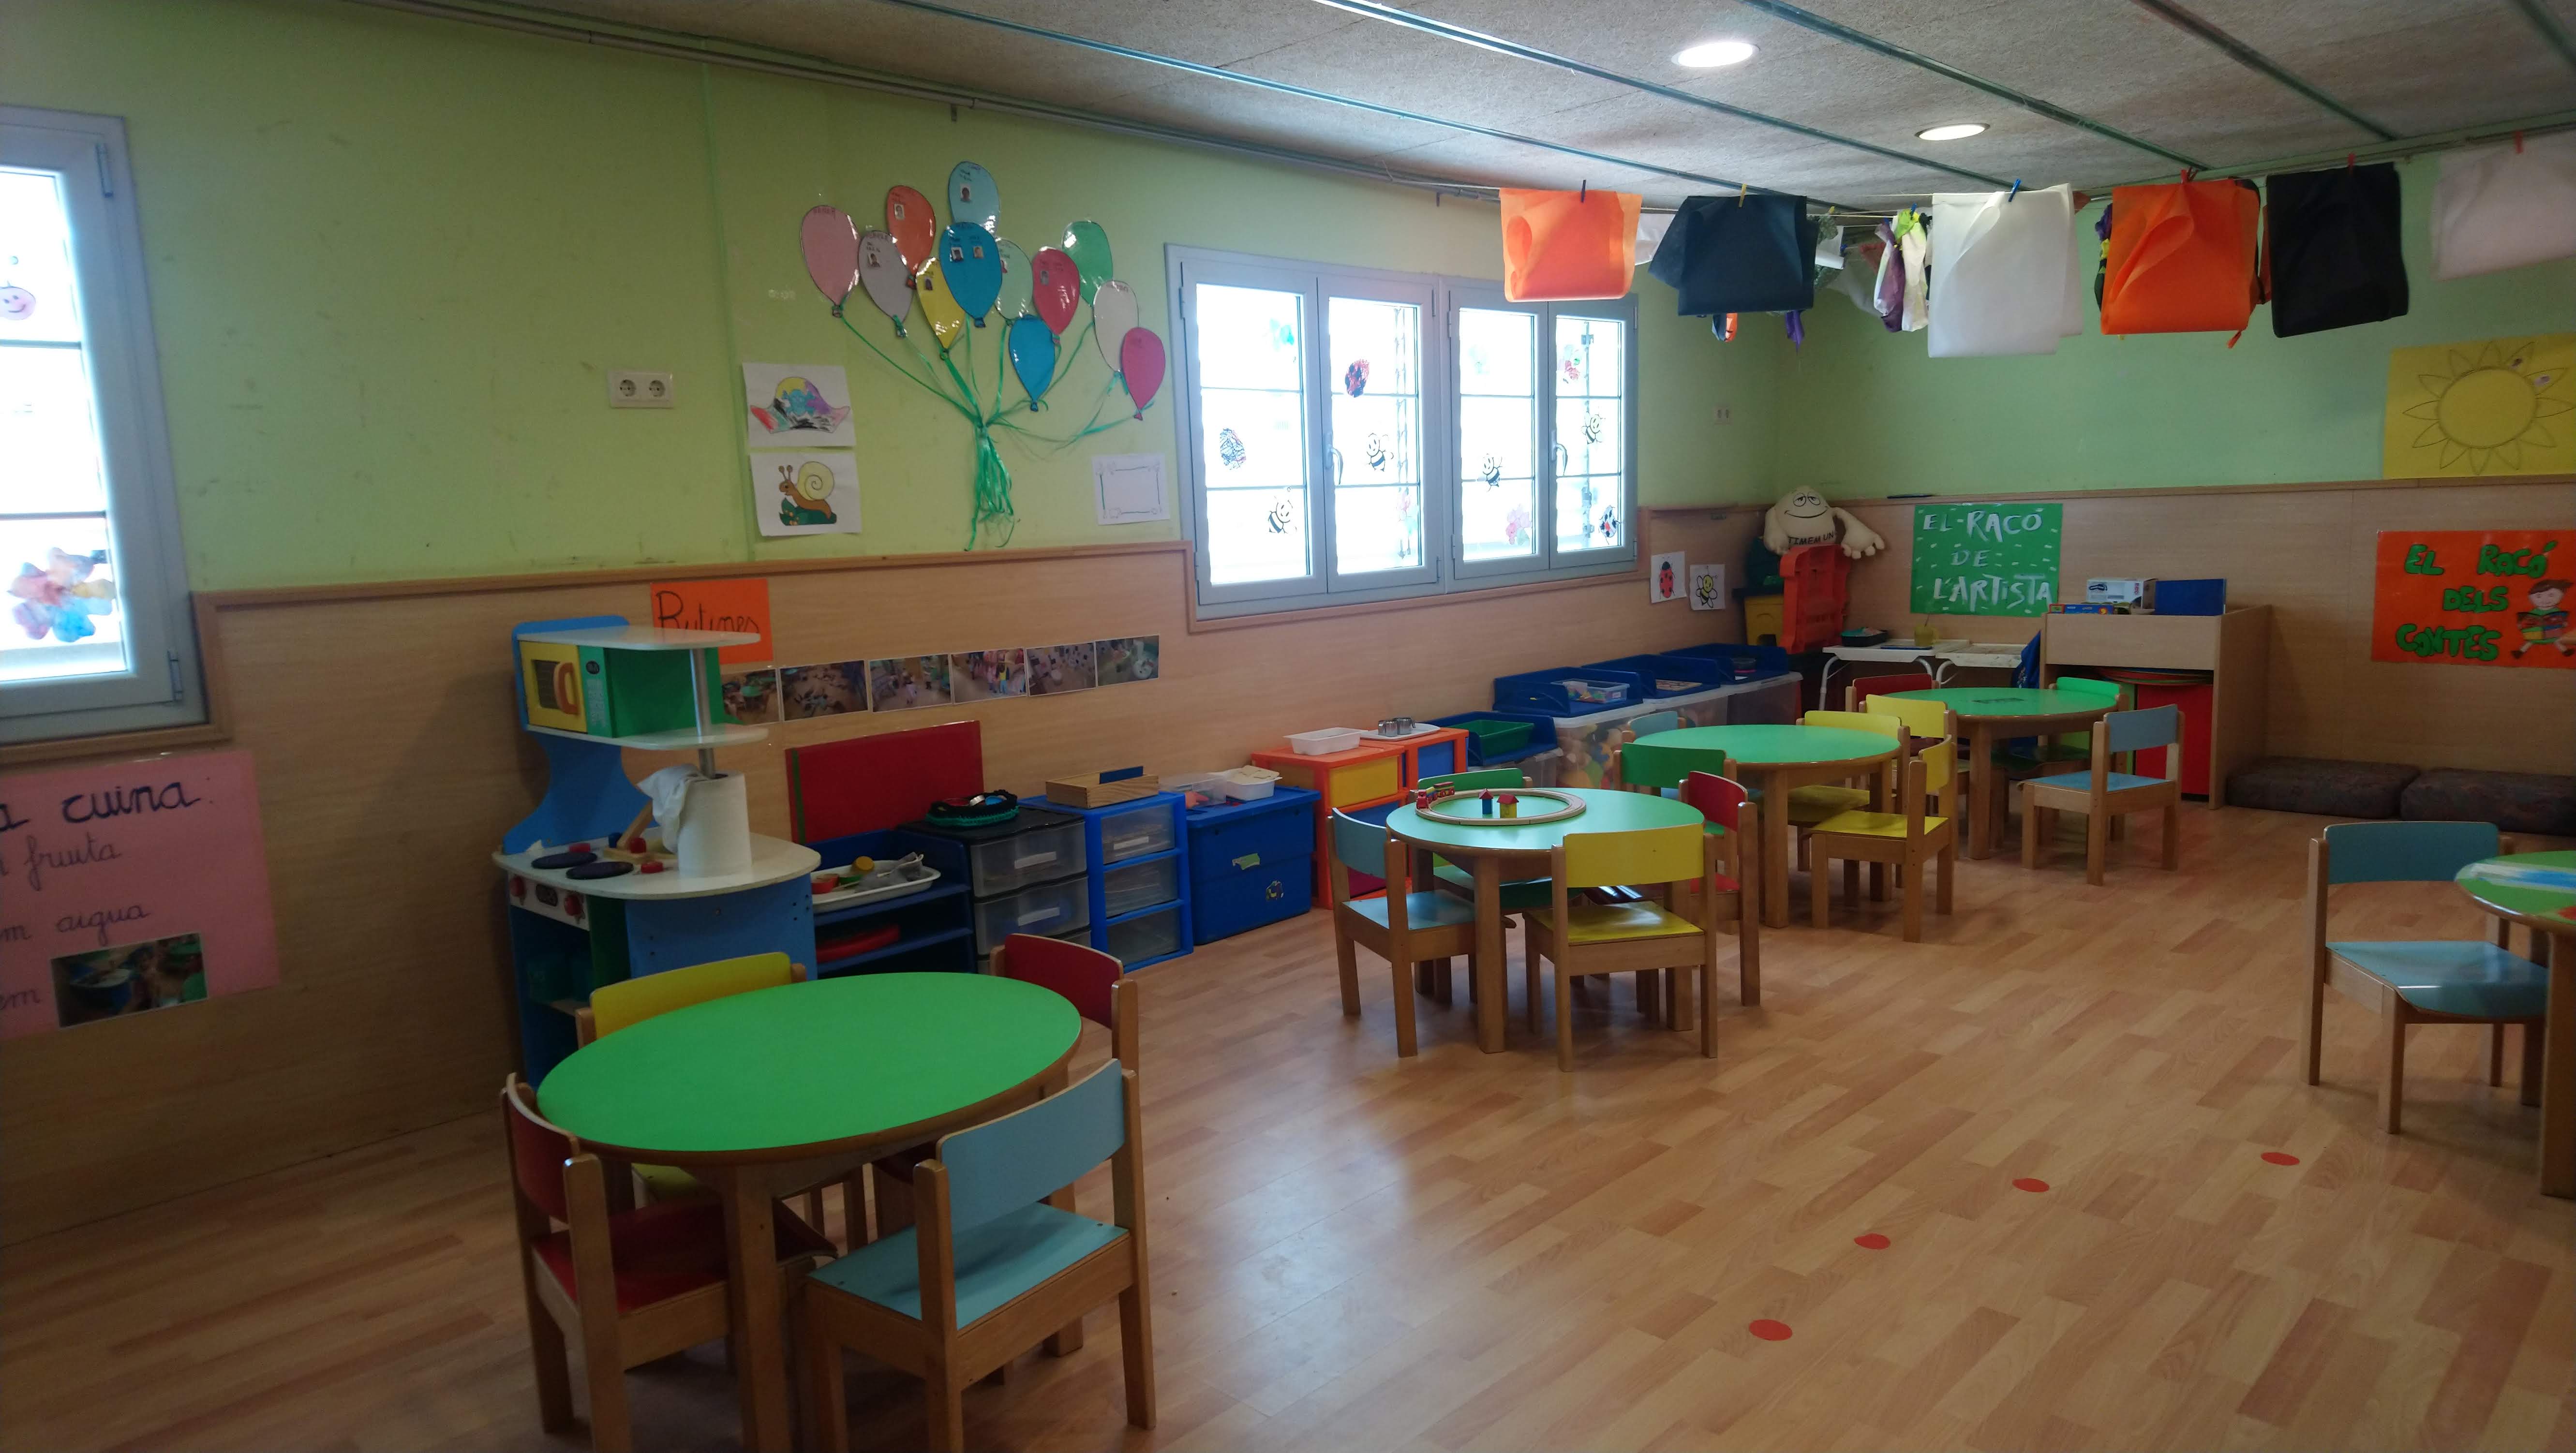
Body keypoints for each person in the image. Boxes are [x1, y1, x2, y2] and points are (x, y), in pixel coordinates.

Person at [2512, 578, 2571, 658]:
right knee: (2530, 641)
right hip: (2537, 634)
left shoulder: (2557, 611)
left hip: (2552, 633)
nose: (2545, 600)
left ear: (2561, 596)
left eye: (2551, 595)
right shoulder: (2534, 612)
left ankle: (2565, 651)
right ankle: (2520, 652)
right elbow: (2526, 621)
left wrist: (2564, 623)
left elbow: (2561, 619)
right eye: (2539, 596)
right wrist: (2521, 625)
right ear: (2531, 598)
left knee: (2557, 640)